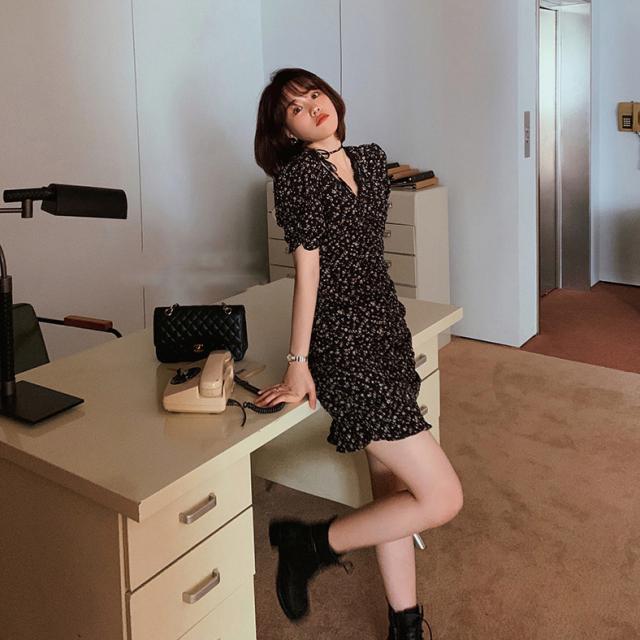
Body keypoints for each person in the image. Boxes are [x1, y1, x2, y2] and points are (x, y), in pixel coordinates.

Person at [253, 67, 463, 640]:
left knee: (391, 489)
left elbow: (365, 252)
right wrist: (298, 364)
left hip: (386, 331)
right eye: (296, 108)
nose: (312, 107)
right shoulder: (298, 179)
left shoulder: (370, 160)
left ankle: (405, 625)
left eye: (314, 94)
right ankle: (309, 544)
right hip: (344, 345)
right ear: (287, 131)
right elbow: (308, 276)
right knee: (442, 497)